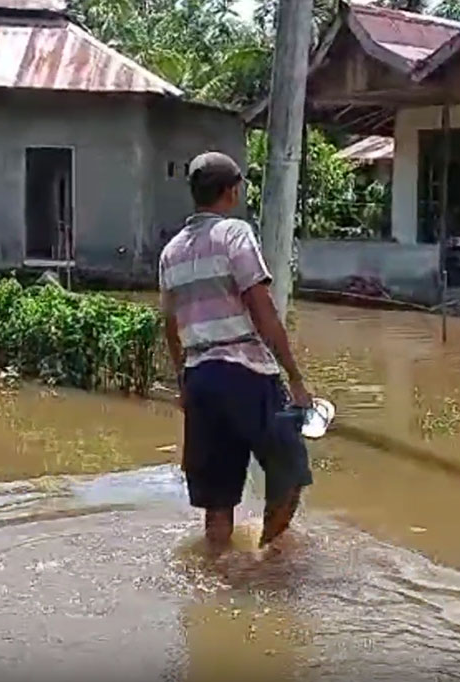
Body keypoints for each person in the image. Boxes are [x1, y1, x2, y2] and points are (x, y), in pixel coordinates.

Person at [158, 151, 313, 555]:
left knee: (217, 501)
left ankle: (217, 574)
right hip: (245, 373)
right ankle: (266, 563)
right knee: (290, 475)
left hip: (200, 379)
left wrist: (184, 382)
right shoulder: (234, 234)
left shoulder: (170, 252)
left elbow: (171, 326)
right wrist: (295, 378)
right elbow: (261, 308)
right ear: (231, 192)